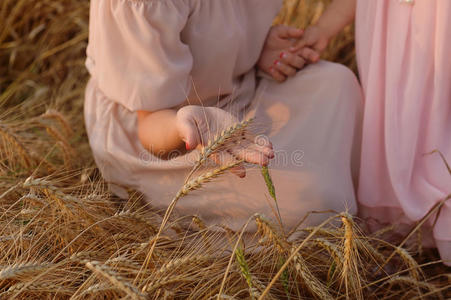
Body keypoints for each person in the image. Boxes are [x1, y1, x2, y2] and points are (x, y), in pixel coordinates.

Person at [84, 0, 362, 232]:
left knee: (337, 83)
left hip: (238, 86)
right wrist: (191, 125)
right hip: (168, 132)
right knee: (316, 205)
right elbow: (151, 126)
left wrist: (253, 48)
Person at [292, 0, 450, 265]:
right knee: (395, 120)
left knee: (439, 118)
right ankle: (399, 217)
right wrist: (323, 28)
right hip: (389, 32)